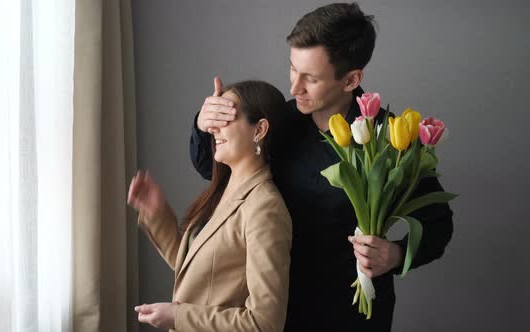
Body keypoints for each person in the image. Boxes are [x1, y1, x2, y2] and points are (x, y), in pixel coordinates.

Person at [189, 3, 454, 331]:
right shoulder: (277, 123)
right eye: (292, 69)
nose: (293, 87)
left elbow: (440, 225)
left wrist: (396, 255)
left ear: (351, 79)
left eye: (310, 79)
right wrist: (205, 125)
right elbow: (211, 170)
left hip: (352, 315)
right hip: (273, 306)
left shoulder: (391, 139)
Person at [128, 80, 293, 331]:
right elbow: (202, 273)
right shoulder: (223, 190)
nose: (214, 127)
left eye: (226, 117)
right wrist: (157, 212)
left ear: (259, 129)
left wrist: (178, 317)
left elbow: (265, 323)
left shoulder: (265, 208)